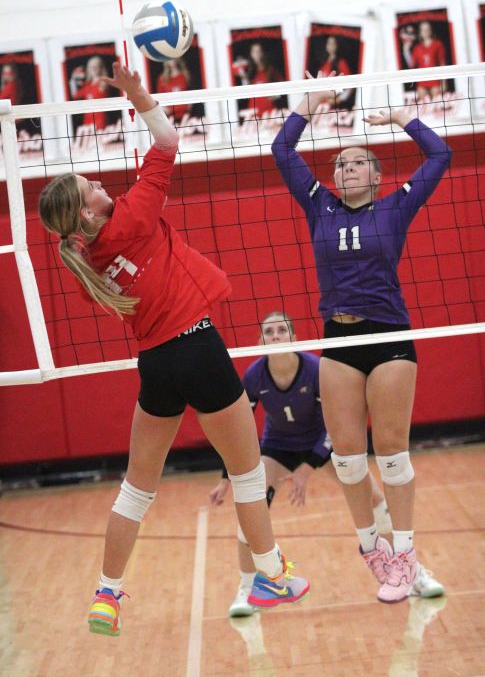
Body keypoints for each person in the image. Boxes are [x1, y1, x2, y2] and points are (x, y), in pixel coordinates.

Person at [38, 64, 310, 637]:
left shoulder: (85, 261)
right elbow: (166, 140)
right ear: (87, 212)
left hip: (157, 365)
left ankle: (107, 594)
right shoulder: (133, 216)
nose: (100, 183)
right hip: (198, 349)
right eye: (91, 187)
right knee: (247, 474)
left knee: (136, 489)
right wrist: (138, 95)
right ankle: (269, 574)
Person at [269, 72, 446, 604]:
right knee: (346, 459)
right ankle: (374, 551)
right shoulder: (318, 205)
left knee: (390, 453)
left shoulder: (395, 207)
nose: (345, 167)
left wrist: (400, 118)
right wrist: (310, 102)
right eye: (339, 163)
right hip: (339, 340)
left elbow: (440, 155)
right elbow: (282, 150)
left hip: (389, 336)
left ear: (376, 175)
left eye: (356, 162)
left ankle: (406, 555)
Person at [209, 310, 392, 617]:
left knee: (372, 494)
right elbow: (235, 430)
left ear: (294, 337)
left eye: (282, 330)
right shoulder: (254, 375)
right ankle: (248, 588)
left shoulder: (315, 369)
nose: (276, 336)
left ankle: (404, 568)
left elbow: (335, 426)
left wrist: (306, 470)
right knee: (250, 510)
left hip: (321, 442)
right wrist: (225, 479)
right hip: (278, 447)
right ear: (260, 341)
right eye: (269, 332)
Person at [233, 42, 284, 119]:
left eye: (259, 51)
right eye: (254, 52)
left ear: (263, 53)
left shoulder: (270, 70)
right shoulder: (249, 71)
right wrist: (243, 77)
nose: (257, 54)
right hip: (254, 111)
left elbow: (284, 86)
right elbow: (246, 92)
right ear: (251, 54)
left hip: (269, 111)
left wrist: (277, 96)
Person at [69, 55, 111, 131]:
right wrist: (72, 81)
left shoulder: (103, 81)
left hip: (99, 120)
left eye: (96, 66)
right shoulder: (88, 85)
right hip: (88, 119)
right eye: (91, 67)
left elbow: (103, 88)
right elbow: (75, 95)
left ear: (101, 68)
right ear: (88, 69)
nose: (93, 69)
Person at [409, 21, 447, 101]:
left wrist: (444, 82)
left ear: (431, 30)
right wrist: (406, 50)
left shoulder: (438, 44)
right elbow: (411, 64)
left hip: (435, 80)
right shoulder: (417, 48)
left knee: (436, 104)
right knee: (423, 105)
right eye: (423, 30)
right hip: (422, 81)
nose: (425, 31)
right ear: (420, 33)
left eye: (427, 29)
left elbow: (442, 63)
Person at [317, 35, 354, 108]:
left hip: (334, 108)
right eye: (329, 43)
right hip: (322, 105)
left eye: (333, 43)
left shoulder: (341, 63)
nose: (330, 45)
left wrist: (339, 99)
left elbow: (349, 86)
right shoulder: (323, 63)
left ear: (337, 46)